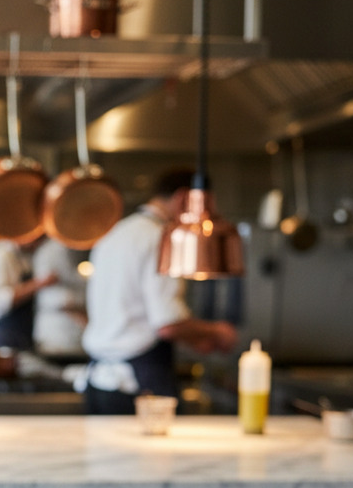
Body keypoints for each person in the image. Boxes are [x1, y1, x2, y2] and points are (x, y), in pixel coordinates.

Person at [81, 168, 237, 414]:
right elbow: (167, 324)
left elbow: (133, 312)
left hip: (99, 382)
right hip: (138, 386)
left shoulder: (116, 232)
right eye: (205, 210)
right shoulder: (161, 238)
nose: (205, 220)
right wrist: (217, 331)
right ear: (184, 198)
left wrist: (194, 337)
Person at [0, 237, 58, 350]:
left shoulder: (23, 257)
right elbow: (2, 300)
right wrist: (40, 283)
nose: (37, 244)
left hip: (25, 333)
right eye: (36, 239)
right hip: (6, 333)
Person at [30, 237, 88, 362]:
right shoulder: (52, 250)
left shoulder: (71, 247)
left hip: (76, 333)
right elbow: (62, 299)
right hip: (58, 334)